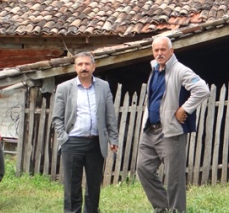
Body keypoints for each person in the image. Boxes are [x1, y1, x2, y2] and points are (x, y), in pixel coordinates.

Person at [137, 36, 210, 213]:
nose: (159, 53)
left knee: (173, 178)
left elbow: (202, 89)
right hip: (149, 130)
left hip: (169, 131)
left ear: (172, 51)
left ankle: (177, 210)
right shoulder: (154, 69)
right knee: (143, 168)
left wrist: (185, 109)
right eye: (156, 50)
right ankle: (162, 207)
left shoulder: (180, 70)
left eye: (163, 49)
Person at [52, 51, 119, 213]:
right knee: (72, 187)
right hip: (72, 142)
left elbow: (110, 115)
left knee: (94, 186)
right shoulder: (64, 88)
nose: (84, 67)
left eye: (87, 64)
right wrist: (64, 138)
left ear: (93, 67)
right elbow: (57, 118)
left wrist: (113, 138)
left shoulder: (103, 86)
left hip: (96, 142)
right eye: (80, 64)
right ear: (75, 68)